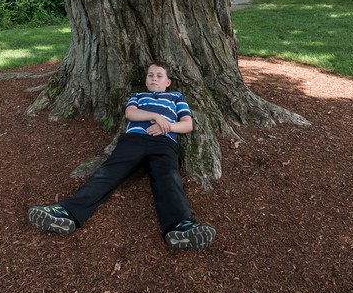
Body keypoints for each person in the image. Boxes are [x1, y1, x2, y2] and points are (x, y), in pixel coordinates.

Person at [28, 61, 216, 249]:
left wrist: (167, 126)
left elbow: (187, 124)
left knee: (168, 177)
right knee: (108, 172)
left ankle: (180, 226)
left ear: (168, 81)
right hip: (134, 140)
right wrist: (156, 116)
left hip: (164, 142)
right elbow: (130, 114)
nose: (154, 79)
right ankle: (68, 213)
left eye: (159, 76)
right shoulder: (138, 96)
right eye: (150, 75)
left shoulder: (176, 97)